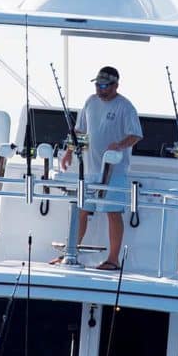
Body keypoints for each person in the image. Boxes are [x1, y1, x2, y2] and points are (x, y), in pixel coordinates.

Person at [58, 65, 142, 270]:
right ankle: (70, 253)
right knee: (82, 210)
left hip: (114, 170)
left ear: (115, 85)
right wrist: (68, 152)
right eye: (97, 84)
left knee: (112, 212)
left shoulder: (126, 107)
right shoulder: (90, 102)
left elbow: (136, 135)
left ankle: (113, 259)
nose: (100, 89)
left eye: (104, 85)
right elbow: (79, 130)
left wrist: (120, 145)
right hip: (89, 169)